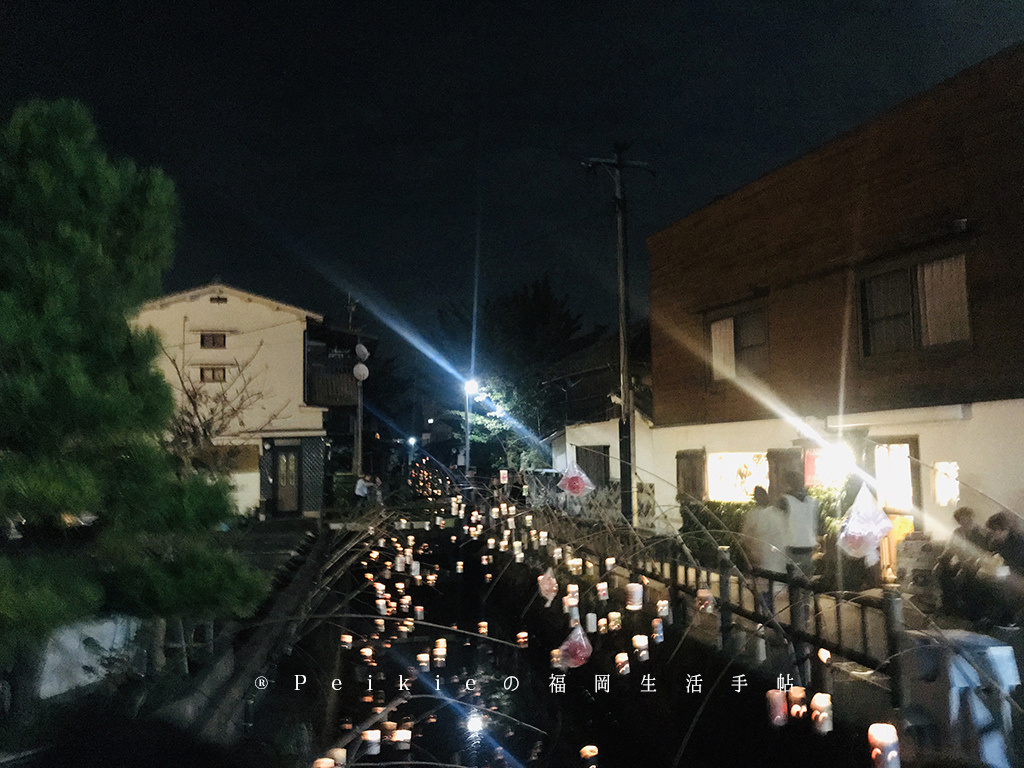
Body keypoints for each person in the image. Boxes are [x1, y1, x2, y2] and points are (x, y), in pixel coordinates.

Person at [741, 486, 788, 612]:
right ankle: (767, 618)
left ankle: (766, 618)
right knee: (766, 590)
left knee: (767, 590)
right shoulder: (762, 514)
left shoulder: (770, 514)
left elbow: (747, 536)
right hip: (764, 557)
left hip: (770, 557)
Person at [780, 470, 819, 580]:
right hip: (806, 547)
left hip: (794, 548)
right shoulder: (811, 501)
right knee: (806, 582)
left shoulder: (785, 501)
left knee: (795, 583)